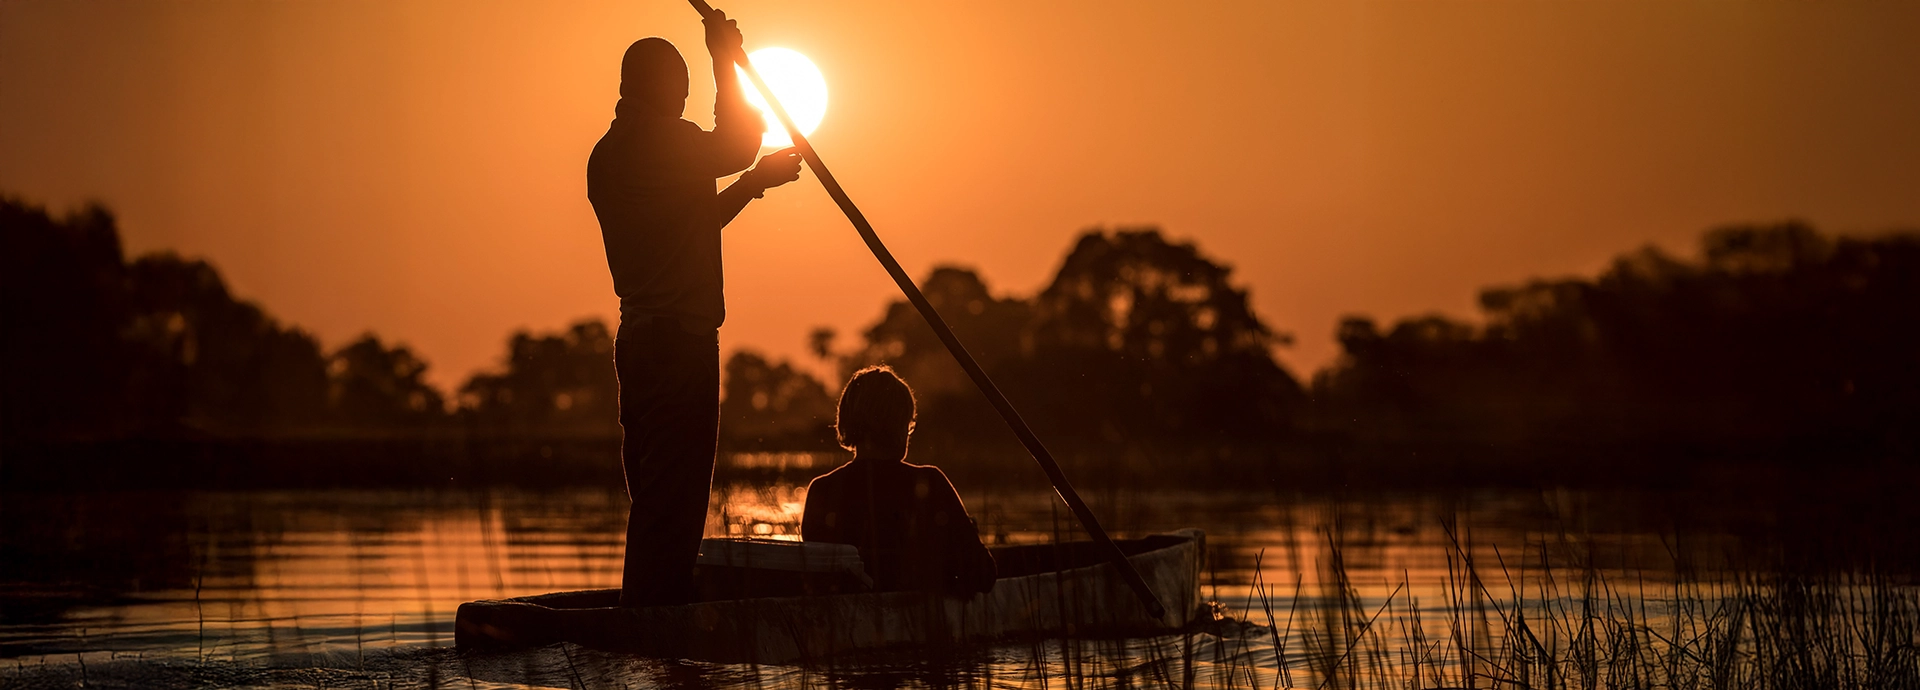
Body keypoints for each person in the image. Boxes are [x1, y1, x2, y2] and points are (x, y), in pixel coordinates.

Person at [588, 8, 804, 607]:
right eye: (680, 88)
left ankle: (647, 618)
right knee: (675, 501)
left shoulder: (609, 155)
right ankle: (655, 629)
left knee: (657, 498)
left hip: (638, 344)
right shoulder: (665, 140)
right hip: (680, 348)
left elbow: (688, 224)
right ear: (658, 88)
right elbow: (735, 140)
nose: (686, 101)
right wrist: (721, 57)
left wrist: (756, 183)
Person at [801, 367, 997, 596]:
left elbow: (815, 580)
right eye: (908, 423)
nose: (909, 432)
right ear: (899, 425)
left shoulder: (822, 489)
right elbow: (984, 576)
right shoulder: (929, 483)